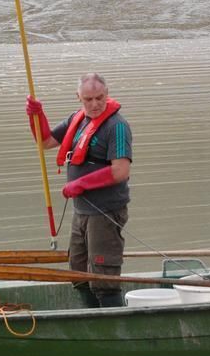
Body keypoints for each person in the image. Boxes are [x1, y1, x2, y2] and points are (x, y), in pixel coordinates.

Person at [25, 73, 132, 308]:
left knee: (103, 276)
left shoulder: (117, 126)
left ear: (107, 94)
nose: (94, 104)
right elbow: (45, 142)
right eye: (88, 99)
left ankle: (113, 325)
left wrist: (80, 184)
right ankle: (91, 317)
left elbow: (120, 171)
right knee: (79, 272)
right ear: (79, 98)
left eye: (99, 98)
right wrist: (36, 115)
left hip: (105, 212)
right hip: (81, 212)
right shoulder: (77, 119)